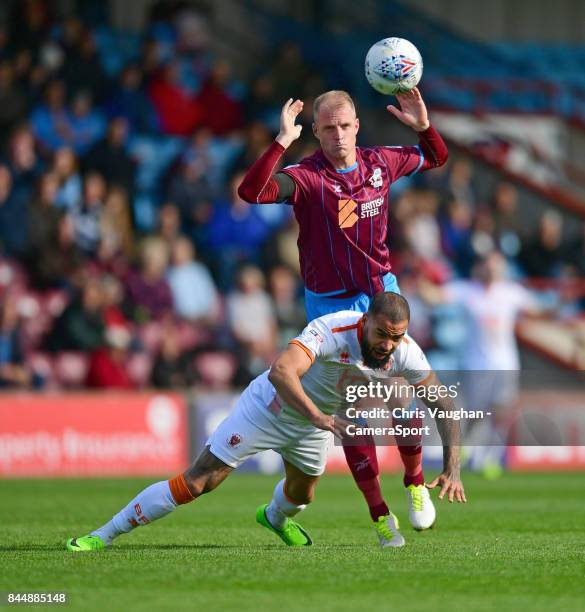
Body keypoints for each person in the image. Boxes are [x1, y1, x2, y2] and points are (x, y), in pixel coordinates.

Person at [66, 292, 465, 552]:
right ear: (365, 322)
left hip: (314, 426)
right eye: (382, 334)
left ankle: (273, 517)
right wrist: (316, 415)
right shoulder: (331, 329)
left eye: (397, 338)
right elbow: (281, 371)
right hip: (271, 410)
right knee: (200, 481)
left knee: (302, 496)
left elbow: (442, 403)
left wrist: (452, 466)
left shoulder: (405, 353)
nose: (389, 345)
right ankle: (102, 535)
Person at [238, 89, 448, 529]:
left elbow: (436, 157)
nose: (338, 135)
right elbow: (251, 191)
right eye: (328, 128)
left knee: (401, 392)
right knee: (354, 409)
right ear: (315, 131)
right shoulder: (308, 177)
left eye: (345, 126)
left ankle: (414, 481)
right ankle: (378, 512)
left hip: (380, 294)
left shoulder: (380, 164)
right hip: (329, 304)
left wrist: (424, 126)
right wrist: (280, 141)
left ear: (357, 127)